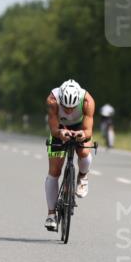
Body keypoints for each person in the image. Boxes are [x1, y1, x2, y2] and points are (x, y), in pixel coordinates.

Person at [44, 79, 95, 231]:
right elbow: (53, 129)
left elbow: (89, 130)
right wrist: (60, 133)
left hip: (80, 126)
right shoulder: (52, 100)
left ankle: (82, 176)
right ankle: (51, 214)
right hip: (60, 127)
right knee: (55, 171)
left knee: (84, 151)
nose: (68, 111)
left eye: (72, 107)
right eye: (65, 107)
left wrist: (82, 134)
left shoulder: (87, 101)